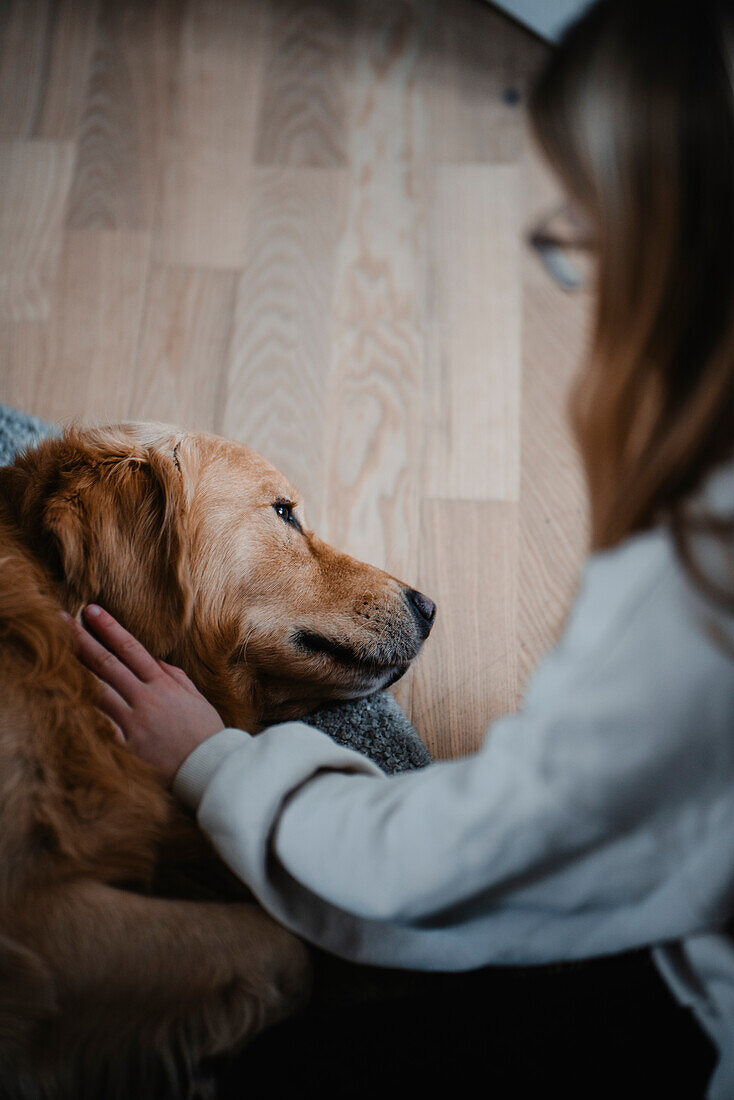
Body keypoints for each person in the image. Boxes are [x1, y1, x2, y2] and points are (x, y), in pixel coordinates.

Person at [67, 1, 734, 1095]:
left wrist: (213, 762)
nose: (595, 282)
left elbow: (458, 863)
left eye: (596, 235)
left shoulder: (692, 595)